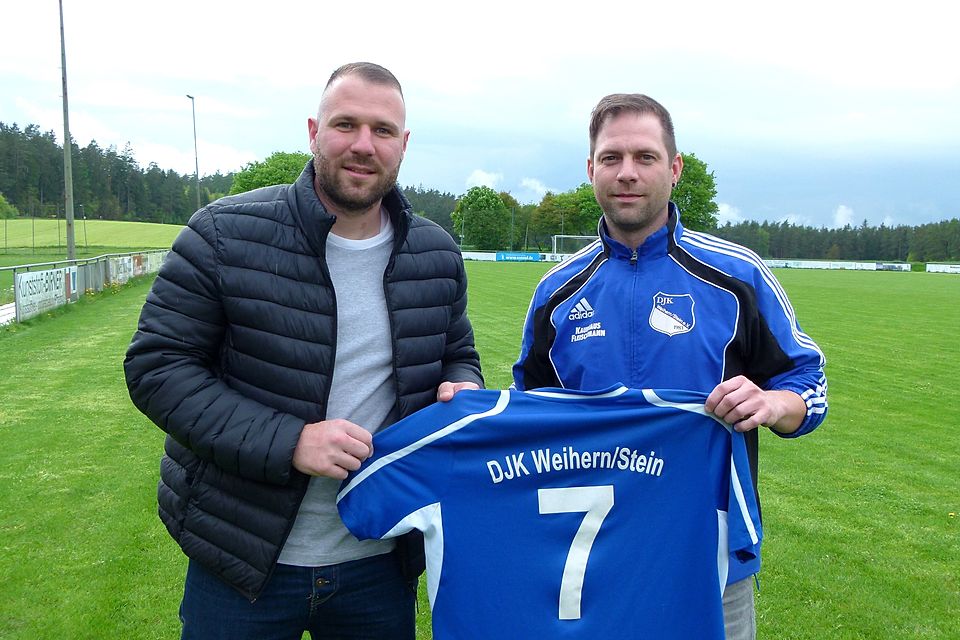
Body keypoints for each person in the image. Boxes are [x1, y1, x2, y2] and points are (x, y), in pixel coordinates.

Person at [124, 61, 482, 640]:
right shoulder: (222, 233)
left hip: (379, 558)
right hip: (243, 562)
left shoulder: (436, 252)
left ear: (404, 144)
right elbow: (156, 367)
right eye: (346, 125)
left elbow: (457, 353)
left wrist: (460, 385)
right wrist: (289, 441)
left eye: (383, 130)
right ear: (314, 132)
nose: (364, 145)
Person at [512, 93, 828, 640]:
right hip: (591, 557)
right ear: (591, 169)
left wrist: (773, 403)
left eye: (645, 157)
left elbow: (810, 382)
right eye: (611, 158)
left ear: (675, 168)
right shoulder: (555, 294)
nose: (627, 173)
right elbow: (527, 417)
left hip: (709, 560)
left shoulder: (737, 278)